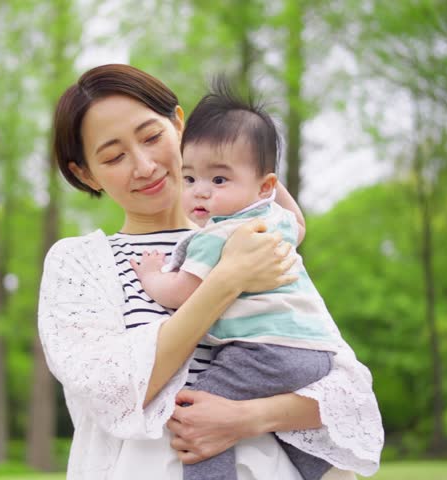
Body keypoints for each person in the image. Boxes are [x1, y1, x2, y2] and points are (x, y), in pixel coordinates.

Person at [38, 63, 383, 480]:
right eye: (114, 156)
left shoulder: (253, 236)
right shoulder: (80, 262)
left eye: (152, 137)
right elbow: (113, 393)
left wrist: (245, 417)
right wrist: (226, 280)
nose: (144, 165)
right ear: (85, 173)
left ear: (178, 124)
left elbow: (344, 390)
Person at [131, 80, 346, 480]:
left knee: (199, 415)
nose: (200, 194)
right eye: (190, 178)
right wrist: (264, 189)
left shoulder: (215, 236)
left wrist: (151, 276)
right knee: (289, 427)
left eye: (219, 180)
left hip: (263, 352)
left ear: (261, 185)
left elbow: (184, 294)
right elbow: (300, 222)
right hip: (315, 352)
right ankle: (329, 472)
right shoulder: (274, 221)